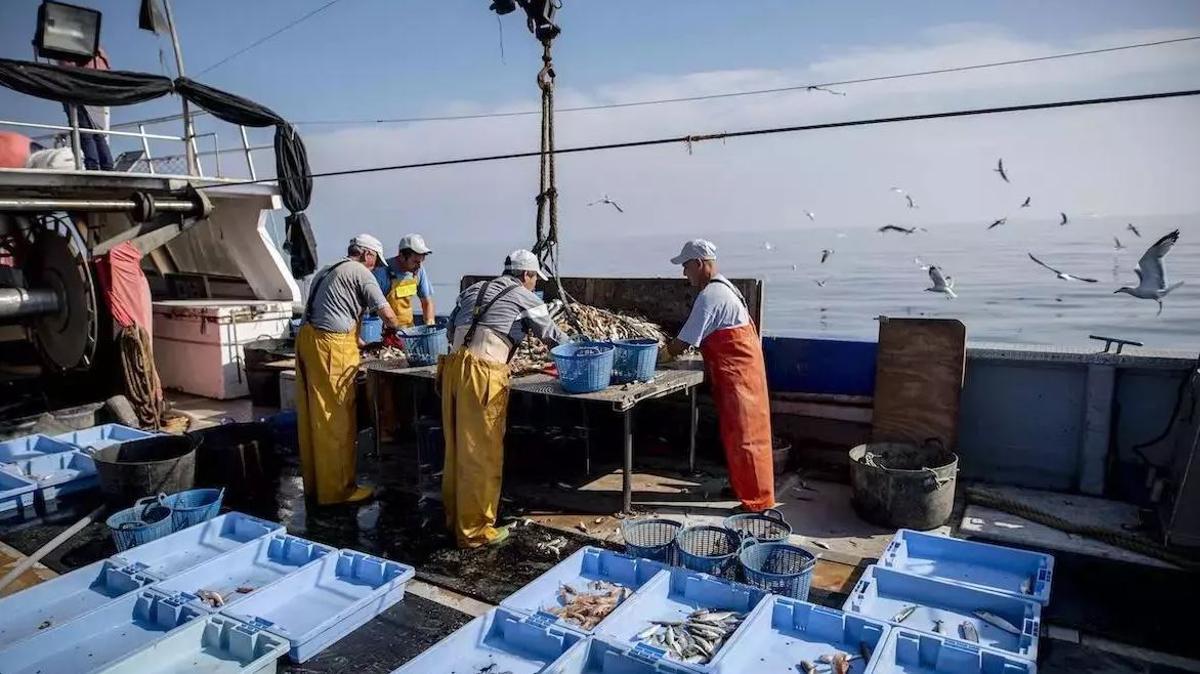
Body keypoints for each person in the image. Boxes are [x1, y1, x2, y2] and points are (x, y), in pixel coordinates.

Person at [440, 249, 569, 547]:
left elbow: (450, 332)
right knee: (480, 453)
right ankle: (475, 532)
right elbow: (551, 335)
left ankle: (454, 519)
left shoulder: (473, 289)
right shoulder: (525, 296)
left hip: (452, 370)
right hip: (483, 374)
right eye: (535, 278)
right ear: (526, 274)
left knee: (457, 448)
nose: (535, 284)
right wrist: (583, 349)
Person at [660, 239, 775, 511]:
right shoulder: (725, 288)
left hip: (740, 377)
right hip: (738, 374)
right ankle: (742, 488)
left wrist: (663, 355)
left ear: (699, 264)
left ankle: (758, 503)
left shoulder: (710, 296)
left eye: (686, 267)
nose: (684, 274)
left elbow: (685, 340)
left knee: (748, 438)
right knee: (735, 436)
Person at [296, 234, 404, 505]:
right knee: (336, 418)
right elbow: (387, 314)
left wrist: (359, 341)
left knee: (313, 416)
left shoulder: (329, 270)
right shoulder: (360, 272)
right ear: (367, 254)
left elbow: (333, 309)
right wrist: (395, 333)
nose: (375, 266)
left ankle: (315, 486)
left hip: (308, 340)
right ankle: (337, 491)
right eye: (375, 261)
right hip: (330, 346)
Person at [57, 48, 113, 171]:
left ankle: (92, 165)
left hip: (78, 89)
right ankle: (107, 166)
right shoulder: (99, 50)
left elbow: (67, 69)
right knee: (98, 133)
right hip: (100, 92)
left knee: (84, 133)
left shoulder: (70, 46)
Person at [373, 233, 436, 327]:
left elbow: (427, 302)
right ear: (402, 256)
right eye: (415, 262)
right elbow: (372, 308)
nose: (419, 266)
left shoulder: (419, 270)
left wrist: (430, 323)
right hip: (385, 331)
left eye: (421, 262)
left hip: (408, 330)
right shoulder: (383, 271)